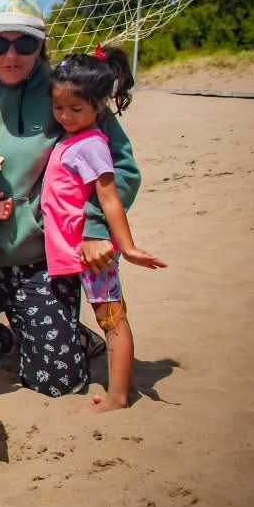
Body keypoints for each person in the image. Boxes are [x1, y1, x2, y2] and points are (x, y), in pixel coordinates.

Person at [0, 0, 140, 398]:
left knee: (58, 384)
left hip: (40, 261)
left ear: (41, 42)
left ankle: (60, 333)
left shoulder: (65, 93)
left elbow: (121, 170)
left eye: (23, 43)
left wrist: (94, 228)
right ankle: (7, 334)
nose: (11, 55)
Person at [44, 48, 165, 413]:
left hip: (92, 256)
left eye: (75, 109)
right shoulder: (72, 137)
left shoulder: (93, 144)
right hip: (69, 252)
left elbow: (110, 197)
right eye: (58, 108)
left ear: (99, 107)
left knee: (112, 320)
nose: (65, 116)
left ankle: (118, 395)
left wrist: (126, 246)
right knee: (99, 318)